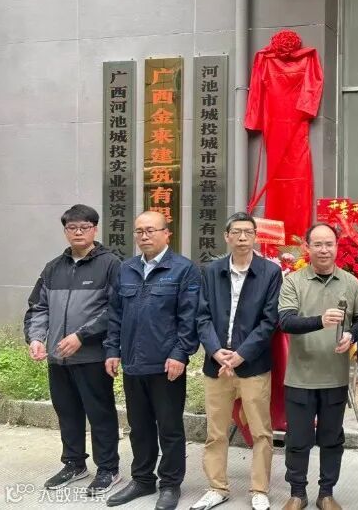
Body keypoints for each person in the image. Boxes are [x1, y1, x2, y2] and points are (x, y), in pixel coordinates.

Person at [104, 211, 201, 510]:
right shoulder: (126, 269)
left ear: (166, 233)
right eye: (139, 231)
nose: (144, 236)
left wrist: (180, 353)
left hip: (166, 365)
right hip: (133, 363)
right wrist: (112, 350)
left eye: (150, 230)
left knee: (169, 428)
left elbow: (189, 317)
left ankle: (170, 484)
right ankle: (143, 479)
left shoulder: (183, 269)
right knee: (139, 426)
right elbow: (115, 314)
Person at [24, 204, 122, 495]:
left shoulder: (111, 265)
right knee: (67, 413)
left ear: (95, 229)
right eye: (72, 228)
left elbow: (115, 309)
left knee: (100, 414)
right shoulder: (53, 267)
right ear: (65, 231)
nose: (78, 232)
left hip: (92, 356)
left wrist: (82, 336)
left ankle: (108, 469)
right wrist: (36, 338)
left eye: (84, 227)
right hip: (58, 358)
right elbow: (38, 307)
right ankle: (74, 463)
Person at [191, 212, 282, 510]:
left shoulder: (270, 272)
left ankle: (259, 489)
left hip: (253, 365)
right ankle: (217, 487)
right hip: (217, 365)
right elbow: (202, 316)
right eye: (237, 232)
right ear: (226, 236)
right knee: (215, 432)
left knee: (261, 432)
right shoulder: (211, 271)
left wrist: (241, 354)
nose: (242, 238)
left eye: (248, 232)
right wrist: (216, 351)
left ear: (255, 236)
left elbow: (269, 321)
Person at [278, 223, 358, 510]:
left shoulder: (350, 282)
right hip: (300, 377)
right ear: (307, 247)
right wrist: (320, 321)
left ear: (337, 247)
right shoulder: (293, 281)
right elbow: (286, 321)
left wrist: (352, 335)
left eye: (329, 244)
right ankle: (297, 493)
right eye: (317, 244)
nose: (324, 249)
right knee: (297, 439)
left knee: (331, 439)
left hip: (335, 377)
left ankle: (326, 493)